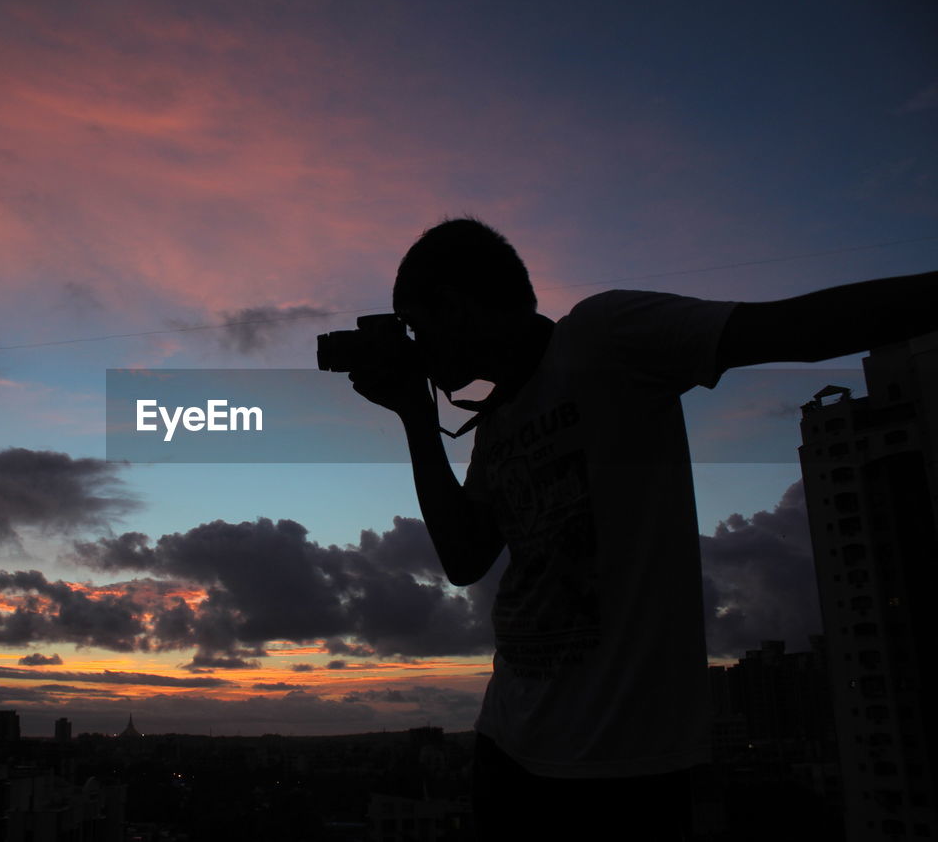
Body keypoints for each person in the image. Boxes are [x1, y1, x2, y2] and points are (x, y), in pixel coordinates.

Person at [348, 218, 938, 840]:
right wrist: (416, 415)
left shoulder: (603, 336)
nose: (415, 346)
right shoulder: (497, 421)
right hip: (509, 741)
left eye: (416, 325)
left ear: (458, 306)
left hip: (624, 765)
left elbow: (792, 327)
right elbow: (464, 557)